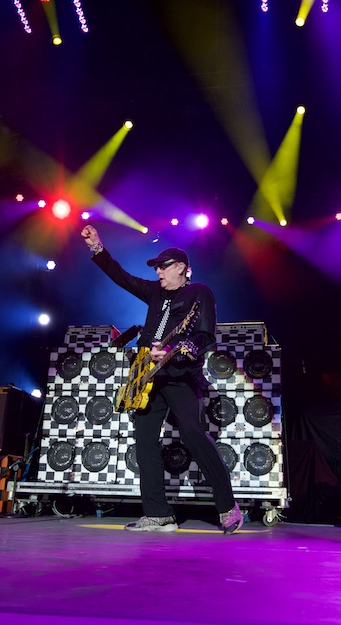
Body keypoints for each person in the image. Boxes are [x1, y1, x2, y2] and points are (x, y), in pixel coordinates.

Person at [80, 224, 243, 534]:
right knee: (144, 441)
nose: (158, 272)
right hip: (146, 376)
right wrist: (97, 248)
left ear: (181, 267)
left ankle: (227, 506)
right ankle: (158, 514)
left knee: (193, 434)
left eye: (163, 266)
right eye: (156, 267)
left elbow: (205, 336)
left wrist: (176, 351)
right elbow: (122, 278)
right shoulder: (155, 291)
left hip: (179, 376)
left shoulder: (199, 292)